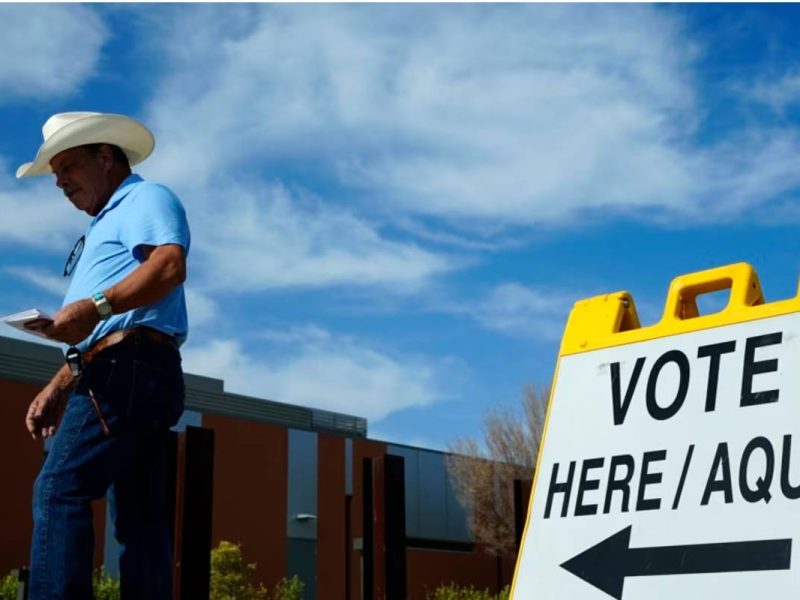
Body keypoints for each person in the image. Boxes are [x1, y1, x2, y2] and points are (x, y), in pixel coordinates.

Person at [17, 112, 191, 599]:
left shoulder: (143, 197)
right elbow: (103, 330)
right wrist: (58, 385)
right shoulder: (105, 224)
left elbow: (169, 264)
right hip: (133, 367)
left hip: (126, 369)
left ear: (106, 156)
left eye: (68, 165)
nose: (60, 182)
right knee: (140, 520)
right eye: (55, 174)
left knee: (58, 491)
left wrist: (94, 306)